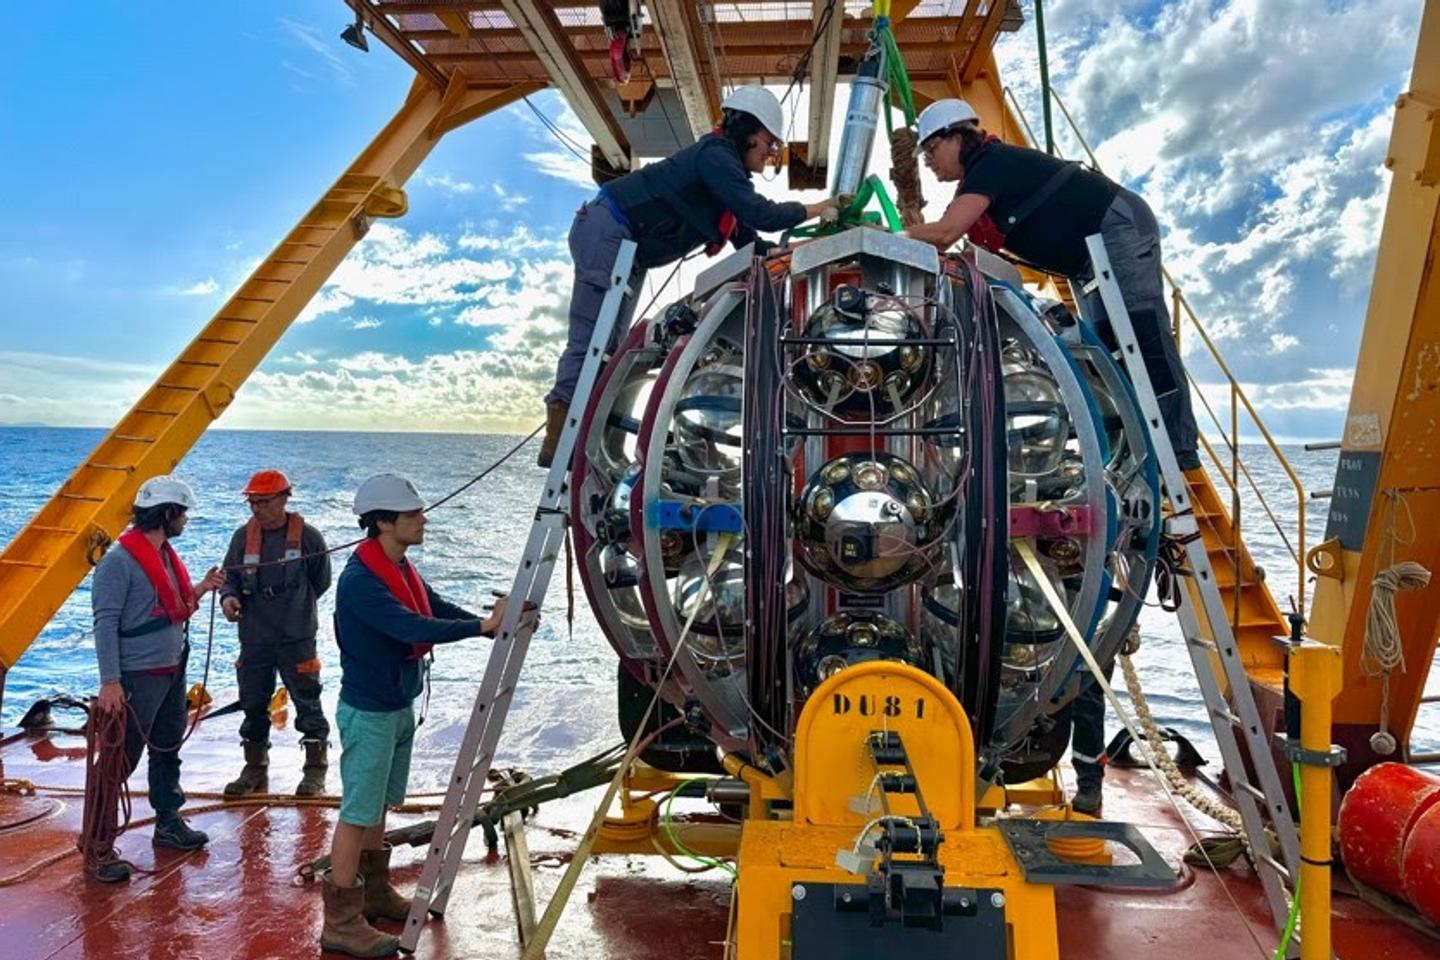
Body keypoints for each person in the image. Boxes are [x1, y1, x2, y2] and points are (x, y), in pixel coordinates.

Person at [538, 84, 841, 467]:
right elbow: (761, 212)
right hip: (608, 228)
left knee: (610, 345)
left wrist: (803, 251)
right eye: (769, 140)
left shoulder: (725, 185)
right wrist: (820, 208)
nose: (771, 151)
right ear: (748, 129)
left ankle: (582, 435)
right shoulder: (715, 158)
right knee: (592, 336)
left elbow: (754, 245)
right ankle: (560, 430)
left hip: (629, 249)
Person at [904, 99, 1201, 471]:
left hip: (1117, 228)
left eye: (931, 150)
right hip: (1086, 259)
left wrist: (889, 236)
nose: (928, 161)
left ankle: (1177, 445)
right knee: (1106, 349)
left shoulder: (989, 164)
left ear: (958, 137)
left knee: (1141, 334)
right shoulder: (982, 174)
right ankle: (1136, 446)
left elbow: (946, 232)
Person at [320, 473, 511, 957]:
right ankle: (340, 922)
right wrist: (478, 627)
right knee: (357, 812)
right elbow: (408, 625)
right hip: (370, 711)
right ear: (384, 522)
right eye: (412, 514)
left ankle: (375, 892)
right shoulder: (361, 582)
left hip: (395, 704)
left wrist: (483, 625)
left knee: (379, 805)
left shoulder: (398, 566)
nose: (422, 520)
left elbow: (431, 605)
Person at [88, 475, 226, 882]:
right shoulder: (118, 562)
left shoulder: (164, 556)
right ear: (166, 514)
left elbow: (167, 608)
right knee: (119, 757)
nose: (185, 521)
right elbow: (105, 622)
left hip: (171, 670)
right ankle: (96, 844)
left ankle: (168, 822)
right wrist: (110, 681)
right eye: (181, 513)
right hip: (137, 676)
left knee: (167, 747)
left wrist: (201, 588)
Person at [218, 469, 333, 797]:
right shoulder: (242, 538)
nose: (257, 509)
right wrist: (229, 598)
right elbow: (231, 578)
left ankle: (315, 771)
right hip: (254, 637)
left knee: (307, 702)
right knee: (253, 702)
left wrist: (296, 608)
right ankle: (254, 767)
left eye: (264, 502)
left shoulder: (309, 538)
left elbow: (320, 581)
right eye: (252, 503)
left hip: (297, 637)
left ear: (284, 499)